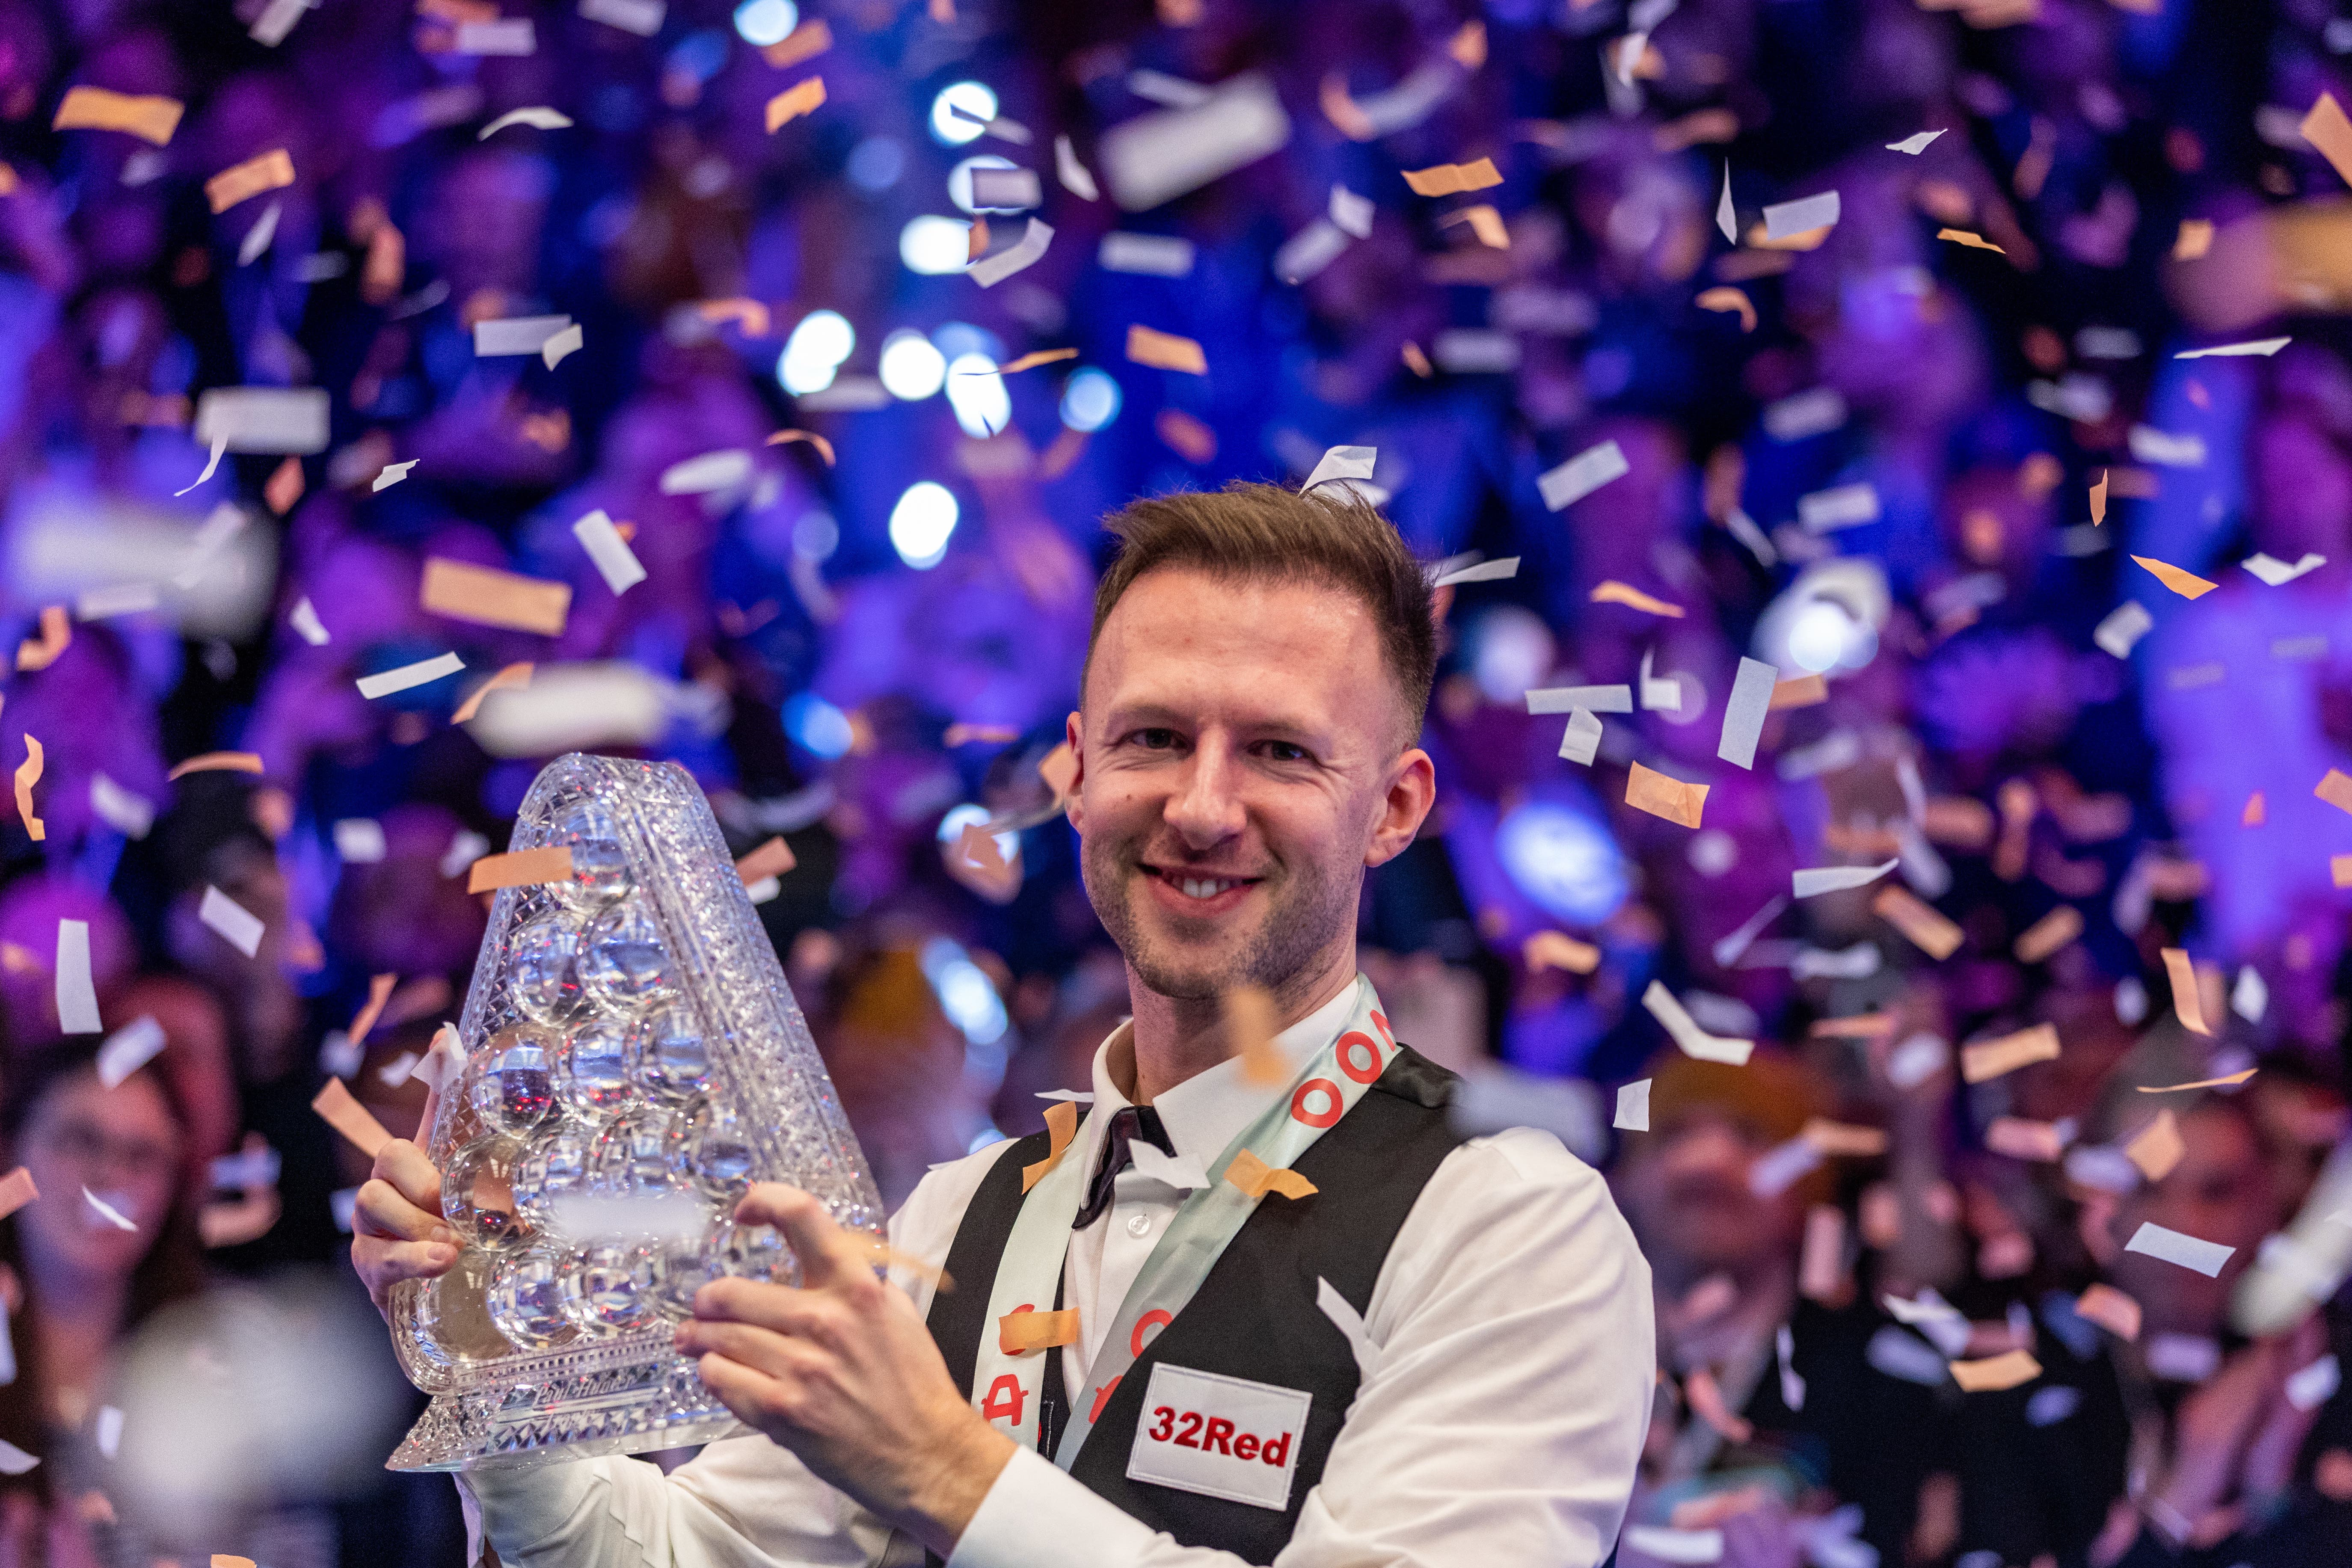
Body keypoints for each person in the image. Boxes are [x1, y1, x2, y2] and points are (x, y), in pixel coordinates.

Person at [353, 479, 1656, 1565]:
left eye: (1279, 751)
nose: (1202, 806)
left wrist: (940, 1465)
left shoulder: (1512, 1228)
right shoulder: (951, 1219)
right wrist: (500, 1365)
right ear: (1076, 775)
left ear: (1395, 804)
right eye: (1155, 738)